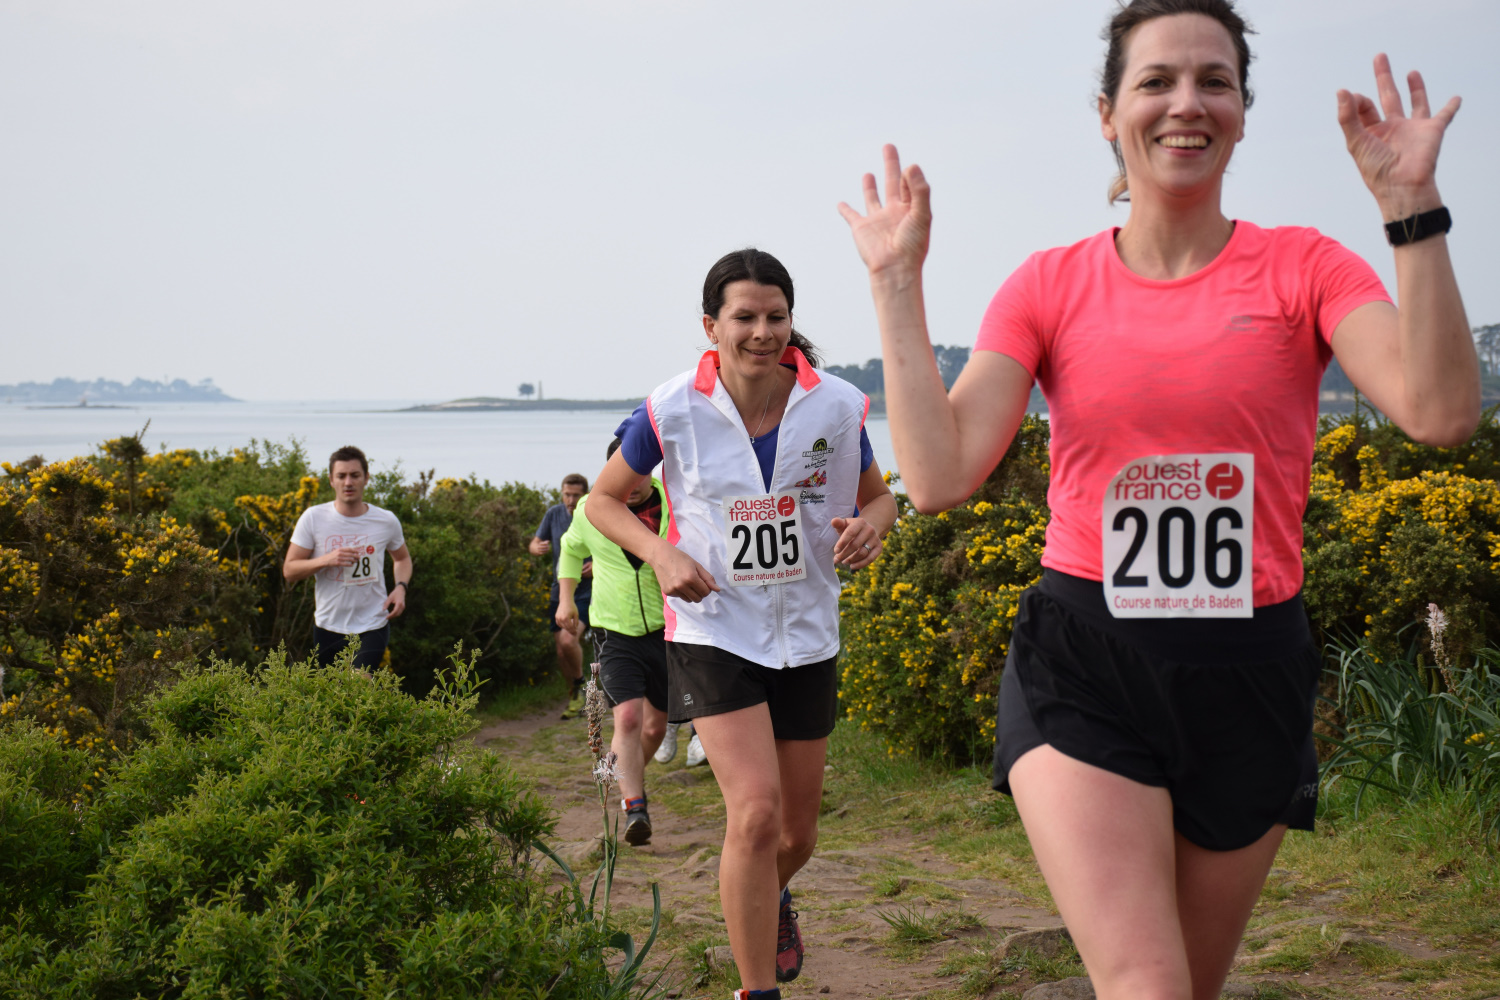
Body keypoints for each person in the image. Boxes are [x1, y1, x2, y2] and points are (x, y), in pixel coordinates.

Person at [838, 2, 1479, 998]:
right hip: (1085, 658)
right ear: (1108, 112)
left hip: (1252, 668)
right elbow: (940, 474)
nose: (1187, 102)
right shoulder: (1047, 285)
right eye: (1156, 81)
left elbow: (1439, 412)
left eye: (1214, 81)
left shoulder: (1307, 266)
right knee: (1147, 980)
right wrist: (894, 283)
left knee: (1187, 982)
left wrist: (1411, 206)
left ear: (1242, 110)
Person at [586, 249, 898, 1000]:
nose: (763, 332)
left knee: (795, 836)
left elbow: (878, 497)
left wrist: (874, 525)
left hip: (808, 634)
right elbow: (602, 500)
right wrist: (661, 554)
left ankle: (768, 894)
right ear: (711, 325)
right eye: (745, 317)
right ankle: (757, 990)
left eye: (776, 317)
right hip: (715, 630)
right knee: (755, 816)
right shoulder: (671, 409)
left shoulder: (836, 406)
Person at [555, 437, 673, 846]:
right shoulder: (591, 509)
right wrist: (567, 599)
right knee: (627, 719)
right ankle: (635, 807)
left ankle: (617, 771)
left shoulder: (675, 501)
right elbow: (570, 550)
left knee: (656, 727)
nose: (633, 483)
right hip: (614, 630)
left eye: (641, 473)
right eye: (625, 472)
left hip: (667, 630)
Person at [284, 445, 413, 669]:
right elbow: (289, 570)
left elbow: (402, 559)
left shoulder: (386, 520)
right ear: (331, 480)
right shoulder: (313, 518)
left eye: (355, 475)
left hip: (372, 623)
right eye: (341, 476)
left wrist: (401, 587)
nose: (348, 482)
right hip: (328, 625)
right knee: (331, 690)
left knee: (360, 682)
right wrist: (327, 559)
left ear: (366, 478)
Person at [530, 474, 592, 718]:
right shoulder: (554, 514)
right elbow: (534, 543)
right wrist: (536, 548)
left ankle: (582, 686)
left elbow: (616, 546)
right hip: (560, 591)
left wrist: (596, 565)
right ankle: (575, 698)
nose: (571, 499)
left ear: (585, 494)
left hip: (588, 591)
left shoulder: (594, 512)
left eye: (576, 495)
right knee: (561, 651)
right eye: (567, 494)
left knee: (568, 641)